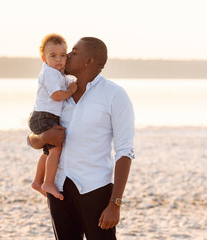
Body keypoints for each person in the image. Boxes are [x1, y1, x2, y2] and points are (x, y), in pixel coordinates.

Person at [28, 37, 135, 240]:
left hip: (95, 190)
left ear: (89, 62)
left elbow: (125, 151)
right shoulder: (59, 92)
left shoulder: (115, 95)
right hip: (58, 190)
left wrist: (115, 204)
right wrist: (43, 137)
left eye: (74, 52)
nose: (66, 56)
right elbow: (32, 139)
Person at [28, 34, 77, 200]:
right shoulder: (49, 72)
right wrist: (70, 91)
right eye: (53, 56)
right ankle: (48, 182)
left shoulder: (57, 73)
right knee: (56, 149)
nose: (59, 60)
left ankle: (37, 181)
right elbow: (56, 95)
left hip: (45, 116)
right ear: (44, 58)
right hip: (44, 116)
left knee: (48, 152)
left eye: (63, 56)